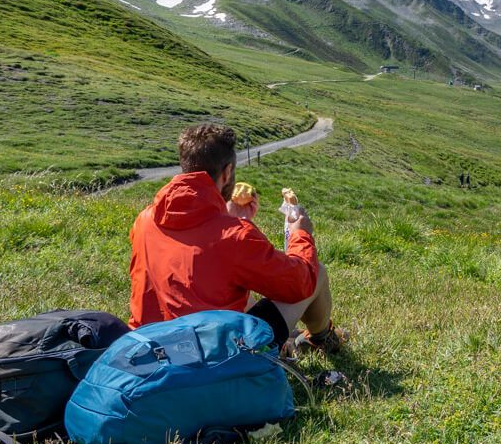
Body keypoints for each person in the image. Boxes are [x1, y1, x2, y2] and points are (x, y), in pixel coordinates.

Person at [128, 123, 346, 355]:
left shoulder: (145, 220)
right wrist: (299, 233)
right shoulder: (234, 235)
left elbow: (198, 260)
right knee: (317, 272)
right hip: (213, 357)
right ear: (228, 172)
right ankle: (320, 339)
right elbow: (300, 283)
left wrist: (227, 217)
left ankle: (295, 340)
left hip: (150, 347)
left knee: (235, 285)